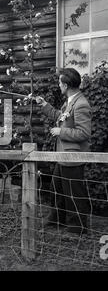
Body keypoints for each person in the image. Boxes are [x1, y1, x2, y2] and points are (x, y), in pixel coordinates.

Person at [35, 68, 92, 235]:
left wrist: (62, 132)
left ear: (66, 85)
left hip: (72, 157)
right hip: (63, 156)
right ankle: (57, 220)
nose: (58, 85)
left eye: (60, 83)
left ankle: (77, 227)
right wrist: (44, 105)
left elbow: (84, 133)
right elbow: (60, 116)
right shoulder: (70, 101)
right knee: (57, 190)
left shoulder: (81, 104)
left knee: (74, 193)